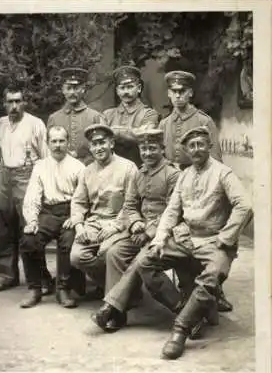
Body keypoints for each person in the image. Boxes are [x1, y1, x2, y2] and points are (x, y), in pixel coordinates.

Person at [137, 126, 252, 360]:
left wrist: (226, 237)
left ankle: (180, 329)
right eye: (192, 146)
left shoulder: (223, 173)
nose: (196, 149)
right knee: (145, 261)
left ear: (208, 146)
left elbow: (245, 206)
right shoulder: (185, 175)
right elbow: (171, 210)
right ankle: (186, 309)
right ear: (186, 151)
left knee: (212, 275)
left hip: (215, 241)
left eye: (201, 144)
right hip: (187, 238)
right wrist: (160, 239)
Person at [92, 128, 180, 332]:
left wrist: (149, 231)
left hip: (165, 233)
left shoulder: (173, 175)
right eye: (144, 149)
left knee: (142, 260)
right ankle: (118, 314)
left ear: (162, 149)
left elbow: (174, 210)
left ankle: (110, 308)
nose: (147, 153)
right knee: (114, 253)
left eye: (152, 148)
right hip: (138, 230)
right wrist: (135, 223)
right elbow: (130, 205)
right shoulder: (139, 174)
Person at [159, 70, 232, 312]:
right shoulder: (164, 124)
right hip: (174, 190)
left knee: (205, 242)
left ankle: (215, 291)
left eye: (183, 92)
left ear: (190, 93)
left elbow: (217, 161)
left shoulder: (204, 121)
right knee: (180, 241)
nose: (178, 96)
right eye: (174, 92)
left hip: (200, 190)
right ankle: (186, 288)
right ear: (169, 94)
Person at [0, 83, 53, 293]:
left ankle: (42, 278)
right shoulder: (0, 124)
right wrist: (2, 173)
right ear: (4, 104)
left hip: (27, 175)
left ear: (24, 102)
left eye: (18, 101)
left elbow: (45, 158)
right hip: (5, 175)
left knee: (30, 227)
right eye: (10, 102)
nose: (14, 106)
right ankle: (7, 276)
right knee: (3, 226)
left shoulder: (35, 124)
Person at [20, 126, 85, 308]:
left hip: (70, 212)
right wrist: (32, 220)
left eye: (61, 141)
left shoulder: (78, 167)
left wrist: (76, 216)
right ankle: (36, 287)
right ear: (48, 143)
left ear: (68, 142)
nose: (57, 145)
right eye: (54, 141)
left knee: (68, 242)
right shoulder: (40, 166)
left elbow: (83, 197)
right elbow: (33, 195)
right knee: (28, 240)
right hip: (48, 213)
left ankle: (63, 289)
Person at [70, 124, 138, 296]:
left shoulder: (128, 167)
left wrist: (115, 226)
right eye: (94, 144)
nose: (98, 148)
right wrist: (79, 225)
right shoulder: (87, 172)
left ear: (111, 143)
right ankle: (125, 289)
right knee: (77, 257)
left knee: (108, 252)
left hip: (120, 223)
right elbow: (78, 202)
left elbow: (132, 203)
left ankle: (114, 298)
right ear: (90, 147)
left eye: (102, 142)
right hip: (94, 223)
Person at [103, 65, 160, 167]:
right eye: (122, 88)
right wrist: (132, 131)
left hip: (140, 167)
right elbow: (103, 140)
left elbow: (143, 136)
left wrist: (113, 131)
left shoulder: (149, 113)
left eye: (130, 87)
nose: (126, 92)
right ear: (117, 91)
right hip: (112, 168)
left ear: (138, 88)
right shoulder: (107, 114)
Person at [47, 68, 105, 165]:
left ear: (83, 89)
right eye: (68, 88)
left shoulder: (95, 117)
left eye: (76, 88)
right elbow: (49, 149)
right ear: (63, 90)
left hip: (90, 168)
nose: (72, 92)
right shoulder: (54, 118)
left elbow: (102, 148)